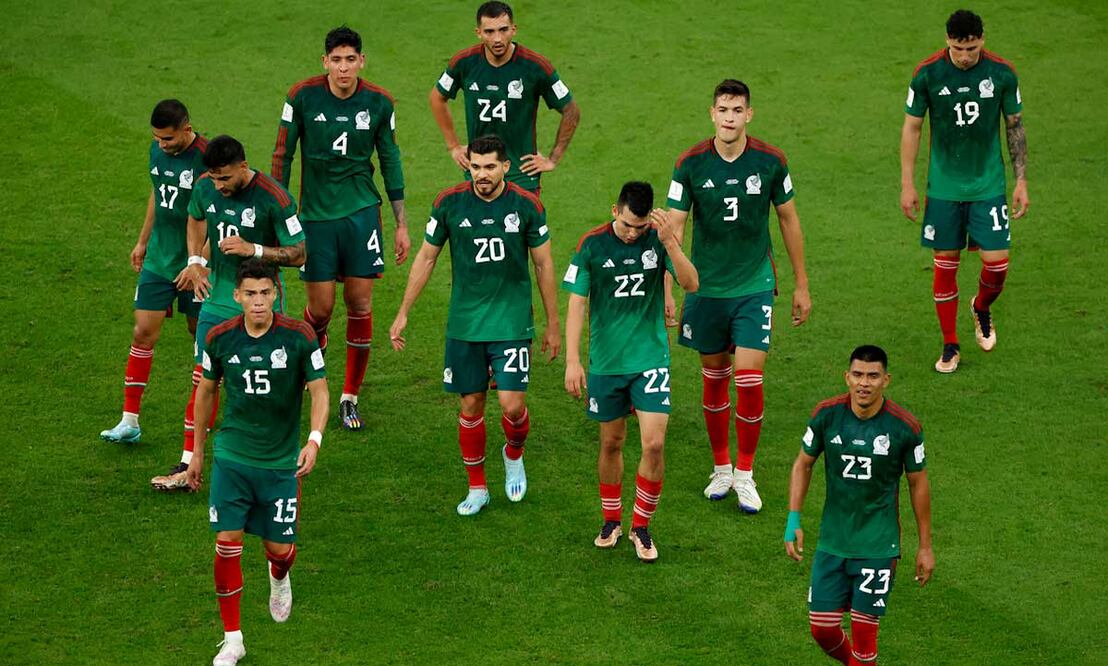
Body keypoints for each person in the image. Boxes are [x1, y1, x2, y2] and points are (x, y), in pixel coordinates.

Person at [388, 134, 560, 516]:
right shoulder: (448, 203)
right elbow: (427, 258)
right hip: (466, 323)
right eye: (475, 167)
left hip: (511, 320)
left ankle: (513, 453)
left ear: (505, 167)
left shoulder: (527, 205)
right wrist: (403, 311)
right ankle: (477, 487)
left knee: (512, 405)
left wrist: (553, 324)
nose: (481, 175)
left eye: (489, 167)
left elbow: (544, 264)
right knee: (470, 405)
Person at [665, 79, 811, 512]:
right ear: (712, 114)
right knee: (714, 379)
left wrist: (801, 284)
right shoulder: (689, 164)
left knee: (748, 380)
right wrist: (668, 289)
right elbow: (674, 228)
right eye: (723, 110)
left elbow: (788, 220)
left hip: (753, 285)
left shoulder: (771, 161)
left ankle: (745, 472)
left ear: (749, 114)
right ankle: (722, 467)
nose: (729, 118)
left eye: (737, 110)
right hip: (705, 288)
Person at [186, 259, 328, 666]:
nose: (259, 301)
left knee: (279, 549)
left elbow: (319, 390)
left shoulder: (299, 337)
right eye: (250, 294)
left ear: (276, 293)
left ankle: (279, 575)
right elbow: (206, 392)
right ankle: (233, 639)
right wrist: (196, 453)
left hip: (280, 462)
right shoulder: (219, 338)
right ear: (237, 296)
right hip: (232, 457)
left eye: (266, 292)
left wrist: (314, 440)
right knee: (226, 542)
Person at [271, 25, 409, 430]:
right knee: (321, 309)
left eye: (351, 59)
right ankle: (311, 363)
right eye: (336, 60)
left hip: (361, 214)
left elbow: (391, 160)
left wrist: (401, 223)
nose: (344, 68)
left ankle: (350, 396)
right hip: (315, 218)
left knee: (360, 304)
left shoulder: (380, 102)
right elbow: (282, 156)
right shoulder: (301, 96)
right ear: (325, 62)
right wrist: (280, 216)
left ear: (361, 61)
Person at [150, 135, 305, 491]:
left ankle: (274, 459)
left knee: (264, 382)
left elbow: (299, 253)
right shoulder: (206, 187)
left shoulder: (275, 198)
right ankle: (188, 463)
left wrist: (255, 249)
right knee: (203, 380)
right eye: (214, 177)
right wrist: (195, 261)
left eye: (225, 178)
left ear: (243, 166)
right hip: (217, 299)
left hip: (259, 302)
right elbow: (195, 217)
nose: (219, 185)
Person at [563, 181, 698, 562]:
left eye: (640, 227)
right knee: (612, 442)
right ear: (614, 211)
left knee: (654, 444)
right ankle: (611, 520)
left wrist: (671, 243)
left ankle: (641, 526)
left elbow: (692, 283)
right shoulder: (591, 245)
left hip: (650, 360)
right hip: (607, 364)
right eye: (626, 225)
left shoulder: (658, 240)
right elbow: (577, 303)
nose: (632, 234)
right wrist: (573, 360)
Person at [784, 345, 934, 665]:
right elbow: (802, 464)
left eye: (873, 376)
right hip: (833, 541)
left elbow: (918, 483)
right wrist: (793, 519)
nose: (864, 383)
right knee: (822, 629)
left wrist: (925, 546)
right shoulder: (827, 415)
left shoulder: (904, 427)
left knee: (865, 641)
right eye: (858, 375)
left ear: (886, 380)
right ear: (847, 377)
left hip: (877, 544)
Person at [900, 9, 1028, 373]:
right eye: (958, 49)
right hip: (943, 187)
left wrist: (1021, 181)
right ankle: (950, 344)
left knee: (997, 263)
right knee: (945, 264)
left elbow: (1015, 126)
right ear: (947, 41)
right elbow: (912, 128)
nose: (965, 56)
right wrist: (907, 183)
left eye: (971, 48)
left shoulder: (1002, 73)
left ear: (982, 40)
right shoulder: (927, 73)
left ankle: (981, 307)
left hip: (988, 184)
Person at [100, 100, 208, 444]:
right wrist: (142, 241)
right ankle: (129, 420)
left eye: (168, 138)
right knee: (142, 332)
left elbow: (217, 214)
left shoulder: (207, 159)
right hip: (160, 259)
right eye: (157, 138)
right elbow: (158, 193)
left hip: (197, 264)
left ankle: (204, 415)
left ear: (187, 129)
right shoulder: (157, 151)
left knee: (202, 338)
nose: (161, 145)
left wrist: (198, 263)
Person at [429, 1, 580, 194]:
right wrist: (454, 147)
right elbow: (437, 97)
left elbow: (571, 110)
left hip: (521, 177)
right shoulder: (464, 63)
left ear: (513, 30)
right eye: (489, 32)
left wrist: (553, 159)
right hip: (480, 174)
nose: (497, 39)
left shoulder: (535, 67)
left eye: (503, 30)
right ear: (478, 32)